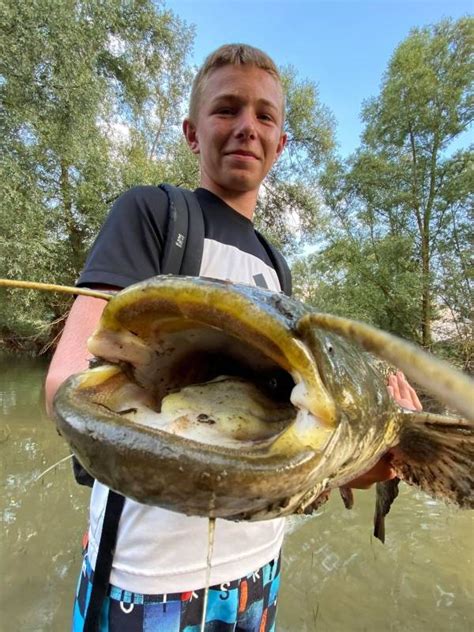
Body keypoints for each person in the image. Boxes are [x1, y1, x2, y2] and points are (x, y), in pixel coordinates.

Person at [45, 44, 421, 632]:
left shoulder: (276, 267)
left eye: (265, 116)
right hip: (145, 581)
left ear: (281, 144)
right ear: (194, 133)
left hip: (257, 572)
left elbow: (291, 431)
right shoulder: (150, 214)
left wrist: (363, 460)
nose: (247, 126)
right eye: (227, 109)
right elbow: (62, 387)